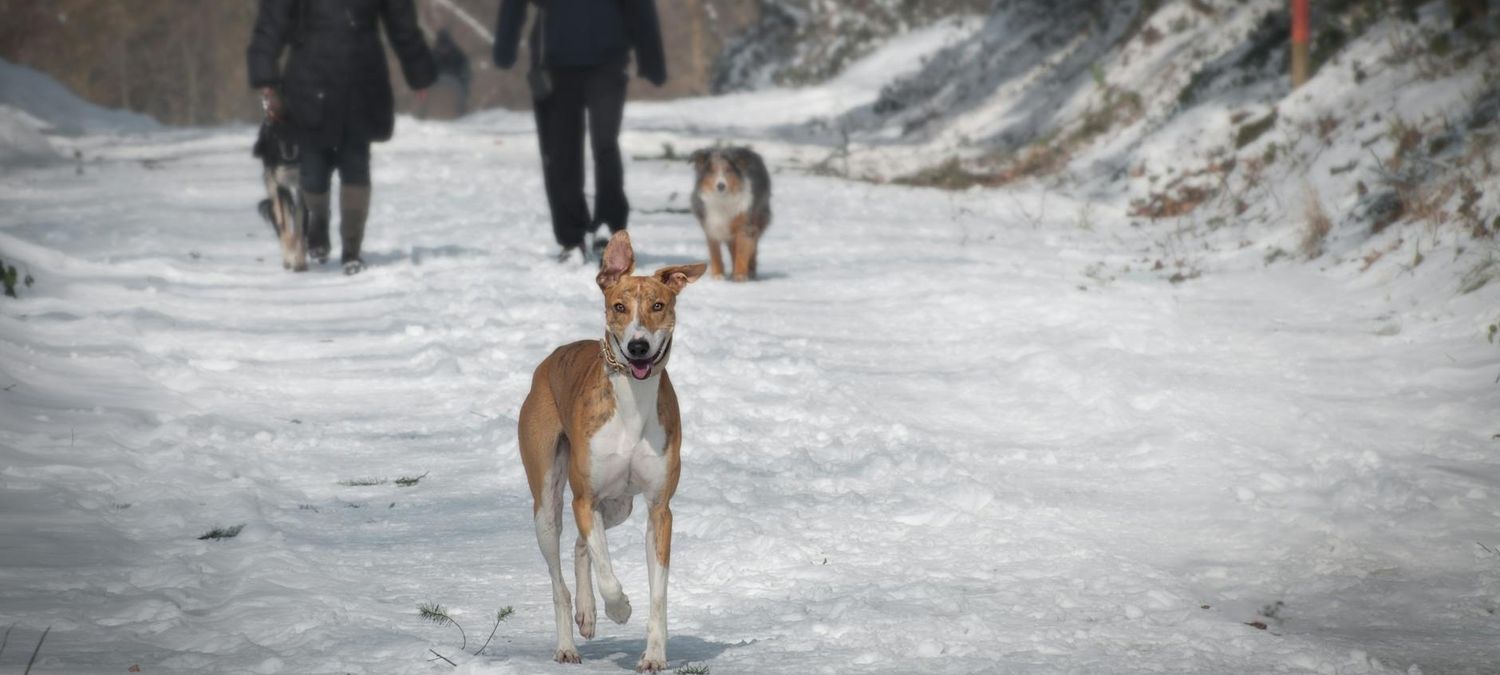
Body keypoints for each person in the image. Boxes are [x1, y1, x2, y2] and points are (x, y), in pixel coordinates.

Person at [247, 0, 437, 275]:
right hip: (309, 78)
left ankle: (352, 249)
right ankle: (317, 224)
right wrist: (265, 74)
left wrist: (418, 72)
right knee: (313, 168)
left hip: (361, 76)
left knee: (356, 165)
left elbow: (401, 20)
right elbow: (273, 19)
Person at [492, 0, 667, 264]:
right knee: (561, 151)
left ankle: (608, 225)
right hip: (554, 59)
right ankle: (572, 237)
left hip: (608, 55)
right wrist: (505, 45)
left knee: (605, 143)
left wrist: (651, 55)